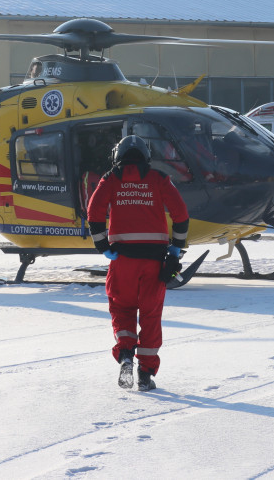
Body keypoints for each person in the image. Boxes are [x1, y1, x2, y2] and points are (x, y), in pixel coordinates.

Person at [87, 135, 189, 391]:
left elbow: (94, 211)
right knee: (151, 316)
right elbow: (181, 214)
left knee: (122, 310)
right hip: (154, 263)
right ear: (146, 156)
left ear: (117, 157)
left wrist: (103, 246)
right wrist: (175, 250)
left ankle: (125, 357)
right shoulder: (159, 179)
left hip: (122, 261)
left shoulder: (110, 179)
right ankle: (146, 373)